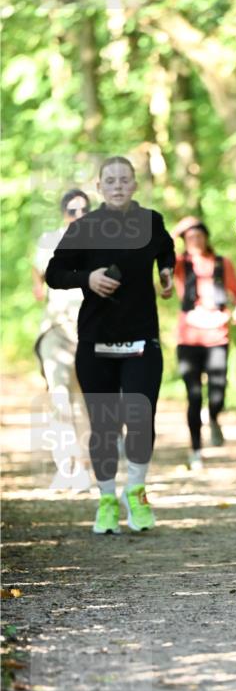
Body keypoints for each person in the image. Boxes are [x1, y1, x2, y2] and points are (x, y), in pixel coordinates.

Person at [46, 156, 175, 534]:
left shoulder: (151, 222)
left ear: (134, 185)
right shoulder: (85, 227)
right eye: (110, 180)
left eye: (124, 179)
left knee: (140, 419)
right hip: (96, 341)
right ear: (99, 187)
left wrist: (166, 272)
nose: (118, 185)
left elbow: (166, 251)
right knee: (103, 426)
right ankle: (105, 500)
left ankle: (135, 493)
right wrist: (89, 277)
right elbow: (55, 273)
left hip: (141, 339)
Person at [173, 216, 236, 470]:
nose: (195, 240)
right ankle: (195, 450)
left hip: (217, 336)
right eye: (189, 237)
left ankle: (214, 417)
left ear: (206, 237)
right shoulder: (180, 264)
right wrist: (179, 229)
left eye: (199, 235)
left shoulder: (221, 263)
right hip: (188, 338)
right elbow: (163, 252)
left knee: (217, 392)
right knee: (193, 396)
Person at [33, 188, 92, 491]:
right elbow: (38, 281)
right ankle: (64, 465)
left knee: (83, 401)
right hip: (56, 330)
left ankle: (82, 466)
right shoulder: (48, 242)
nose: (78, 216)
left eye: (84, 211)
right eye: (72, 211)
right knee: (59, 396)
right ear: (63, 213)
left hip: (89, 332)